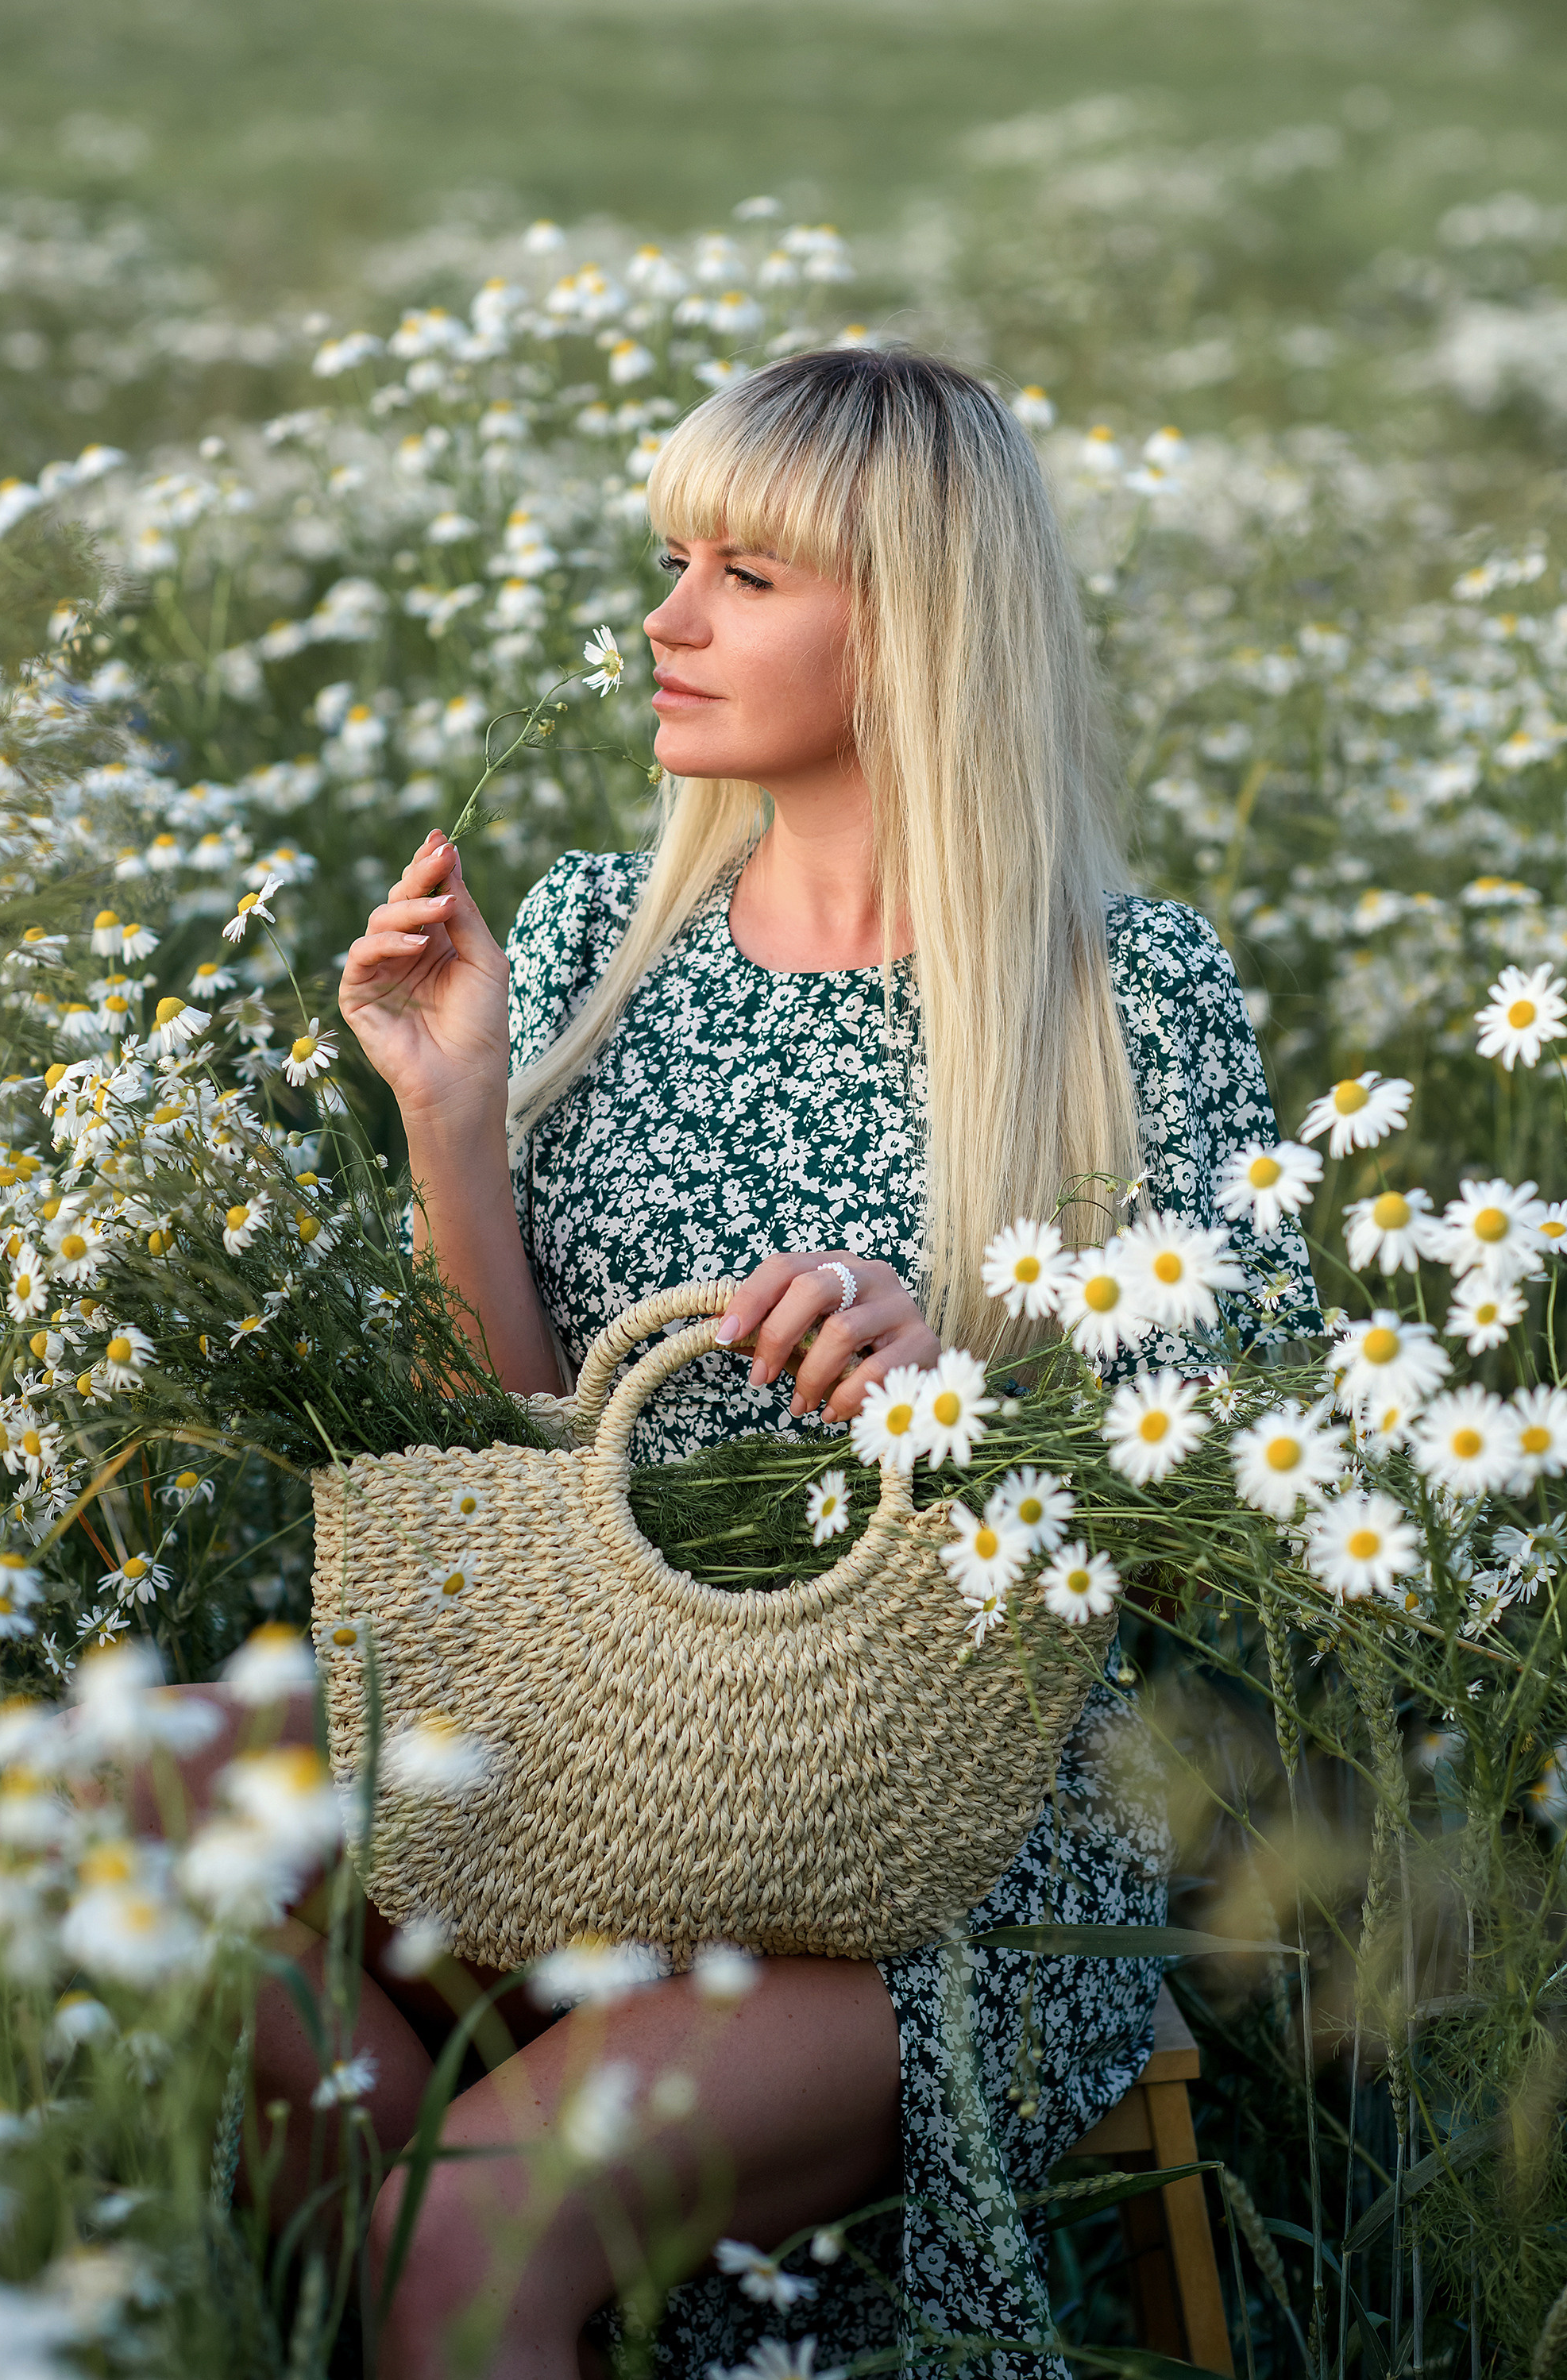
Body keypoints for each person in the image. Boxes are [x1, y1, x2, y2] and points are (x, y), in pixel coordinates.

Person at [318, 347, 1321, 2378]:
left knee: (450, 2228)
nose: (666, 623)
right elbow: (485, 1490)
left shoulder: (1117, 1002)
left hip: (940, 1869)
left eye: (746, 576)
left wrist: (965, 1387)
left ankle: (483, 2274)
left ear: (920, 618)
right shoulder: (600, 935)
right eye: (671, 560)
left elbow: (1239, 1524)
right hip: (593, 1758)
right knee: (100, 1818)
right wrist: (453, 1123)